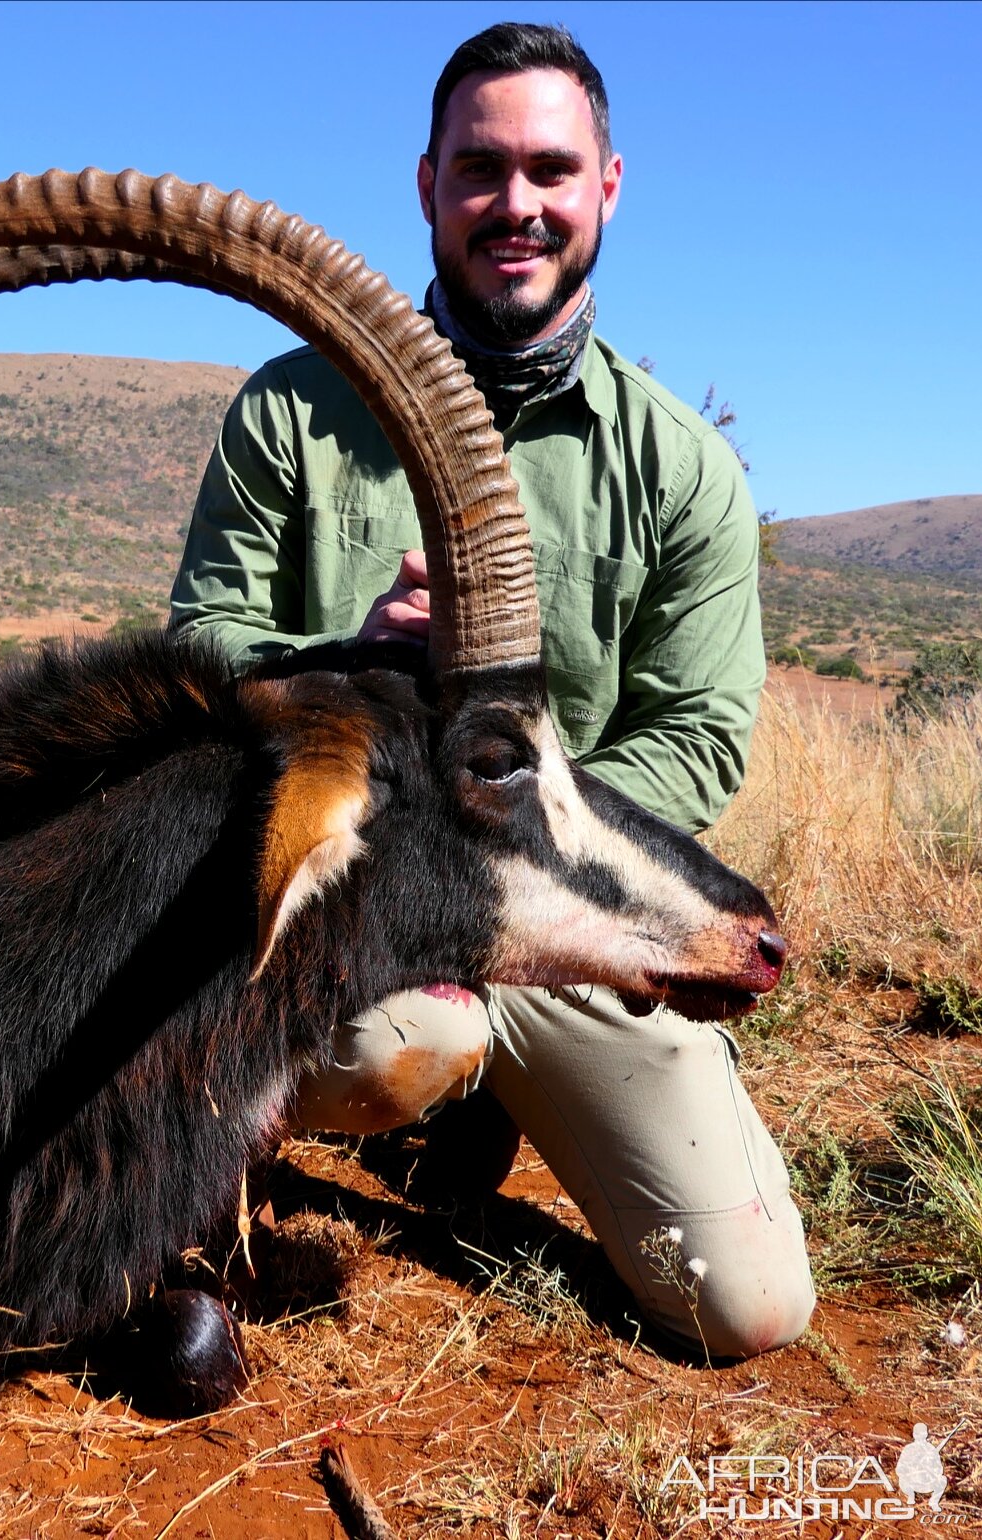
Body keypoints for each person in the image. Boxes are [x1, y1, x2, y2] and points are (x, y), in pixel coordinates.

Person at [169, 21, 815, 1359]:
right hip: (362, 902)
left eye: (546, 169)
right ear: (425, 186)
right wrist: (346, 657)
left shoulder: (680, 465)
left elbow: (695, 738)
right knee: (383, 1054)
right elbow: (198, 655)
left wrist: (520, 855)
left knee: (746, 1311)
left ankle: (489, 1108)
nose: (511, 205)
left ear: (605, 186)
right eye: (478, 170)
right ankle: (258, 1140)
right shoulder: (291, 412)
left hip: (572, 905)